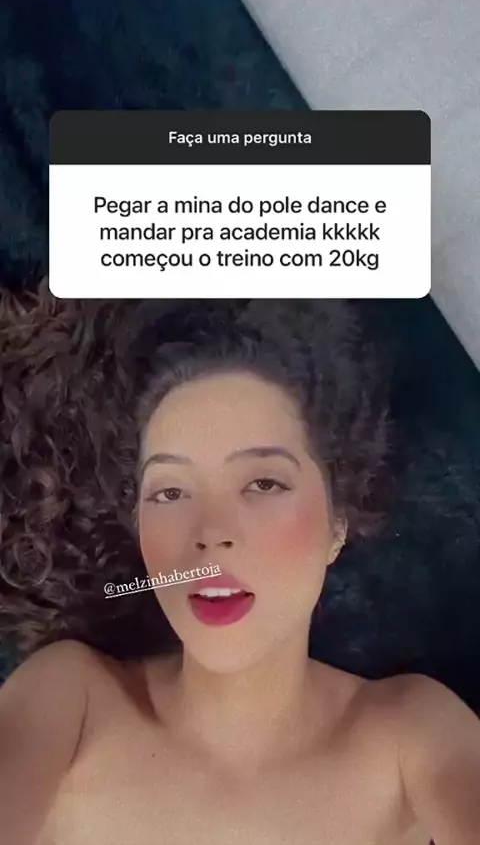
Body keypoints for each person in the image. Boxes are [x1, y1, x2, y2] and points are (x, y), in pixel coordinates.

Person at [0, 280, 479, 845]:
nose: (211, 535)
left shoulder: (411, 735)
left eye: (263, 483)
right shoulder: (71, 699)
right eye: (170, 491)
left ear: (339, 523)